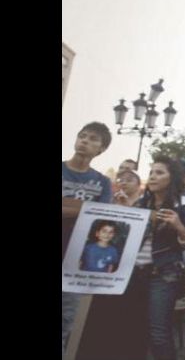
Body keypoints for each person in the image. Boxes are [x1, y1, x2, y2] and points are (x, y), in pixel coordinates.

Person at [77, 155, 185, 360]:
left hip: (163, 274)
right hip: (133, 274)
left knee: (158, 333)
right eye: (151, 172)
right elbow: (124, 237)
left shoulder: (183, 207)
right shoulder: (142, 204)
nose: (153, 177)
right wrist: (124, 212)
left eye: (159, 173)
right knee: (133, 327)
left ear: (173, 178)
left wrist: (179, 226)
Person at [62, 121, 113, 354]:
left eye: (93, 139)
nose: (85, 141)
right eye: (82, 136)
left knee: (65, 321)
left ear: (101, 149)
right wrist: (85, 209)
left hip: (75, 261)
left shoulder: (102, 183)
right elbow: (92, 213)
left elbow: (101, 218)